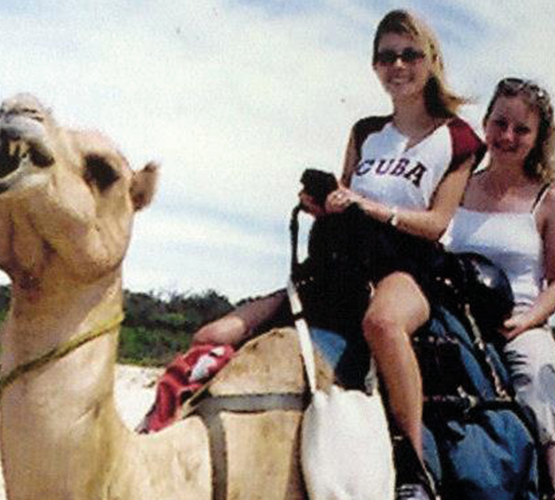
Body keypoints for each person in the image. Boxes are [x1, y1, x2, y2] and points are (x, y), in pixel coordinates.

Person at [186, 9, 484, 499]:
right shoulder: (366, 131)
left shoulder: (456, 138)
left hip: (409, 263)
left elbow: (436, 224)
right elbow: (346, 199)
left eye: (409, 54)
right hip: (344, 260)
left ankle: (412, 465)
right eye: (386, 56)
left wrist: (372, 207)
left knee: (383, 325)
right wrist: (324, 204)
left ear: (430, 60)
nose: (398, 66)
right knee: (215, 333)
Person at [442, 77, 555, 500]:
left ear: (537, 138)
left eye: (521, 129)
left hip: (517, 318)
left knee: (540, 378)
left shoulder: (551, 202)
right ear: (484, 124)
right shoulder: (456, 185)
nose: (507, 136)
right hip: (453, 316)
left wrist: (527, 321)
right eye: (500, 123)